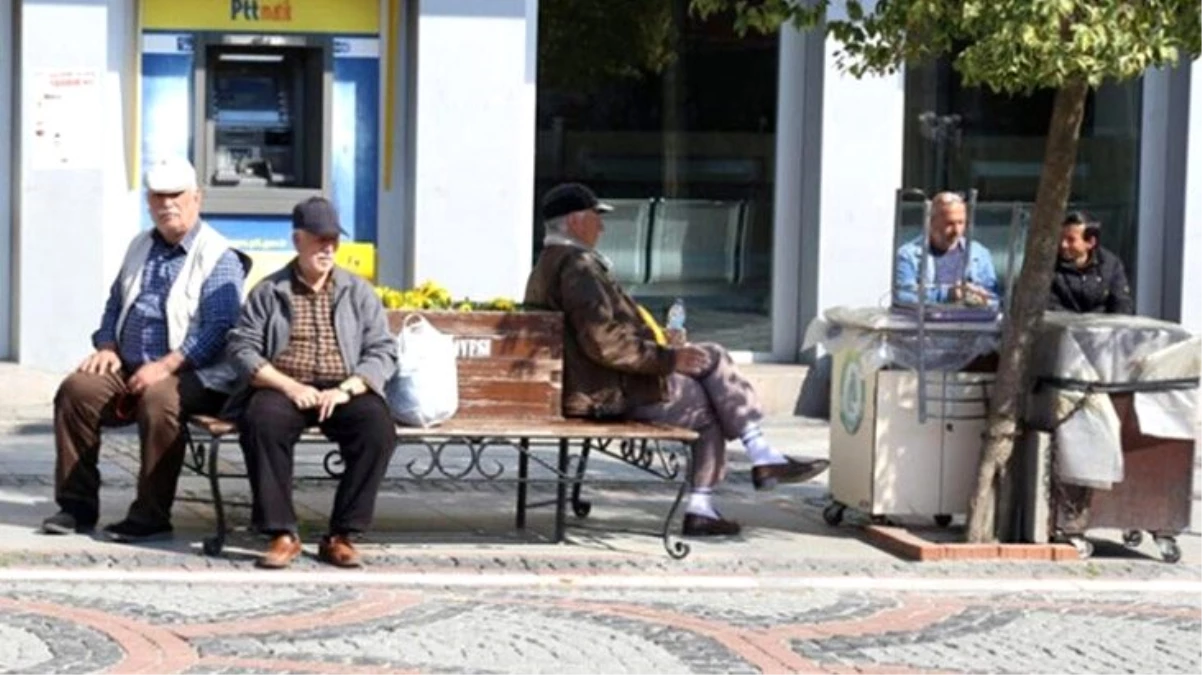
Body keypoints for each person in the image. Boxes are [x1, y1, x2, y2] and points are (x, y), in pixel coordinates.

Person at [524, 183, 829, 537]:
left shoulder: (552, 263)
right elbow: (602, 342)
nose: (602, 227)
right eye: (597, 218)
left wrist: (664, 346)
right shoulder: (577, 266)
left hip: (594, 384)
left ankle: (753, 461)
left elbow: (598, 338)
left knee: (710, 360)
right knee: (710, 397)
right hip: (603, 393)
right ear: (576, 221)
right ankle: (736, 475)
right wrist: (668, 359)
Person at [43, 157, 246, 541]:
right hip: (130, 364)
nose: (167, 204)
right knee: (77, 390)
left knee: (159, 400)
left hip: (194, 372)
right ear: (148, 202)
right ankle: (76, 506)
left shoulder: (218, 255)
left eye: (176, 195)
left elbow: (221, 329)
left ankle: (151, 515)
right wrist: (106, 345)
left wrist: (167, 365)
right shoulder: (140, 244)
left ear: (196, 198)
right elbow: (115, 304)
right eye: (158, 196)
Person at [224, 196, 397, 569]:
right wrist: (289, 386)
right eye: (320, 239)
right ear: (298, 240)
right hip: (285, 384)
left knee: (377, 427)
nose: (328, 247)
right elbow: (242, 348)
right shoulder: (270, 291)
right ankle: (282, 533)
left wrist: (349, 387)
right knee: (261, 422)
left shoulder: (357, 290)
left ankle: (341, 535)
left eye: (334, 239)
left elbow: (383, 350)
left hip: (343, 385)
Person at [894, 192, 1000, 307]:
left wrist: (978, 298)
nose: (957, 231)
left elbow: (993, 298)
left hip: (971, 322)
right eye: (949, 224)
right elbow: (904, 296)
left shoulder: (979, 254)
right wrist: (948, 294)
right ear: (930, 223)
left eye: (961, 223)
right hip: (928, 323)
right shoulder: (908, 255)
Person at [1048, 211, 1133, 314]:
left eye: (1071, 240)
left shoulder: (1110, 265)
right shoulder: (1049, 266)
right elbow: (1049, 306)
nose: (1063, 245)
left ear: (1090, 242)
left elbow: (1121, 303)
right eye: (1061, 238)